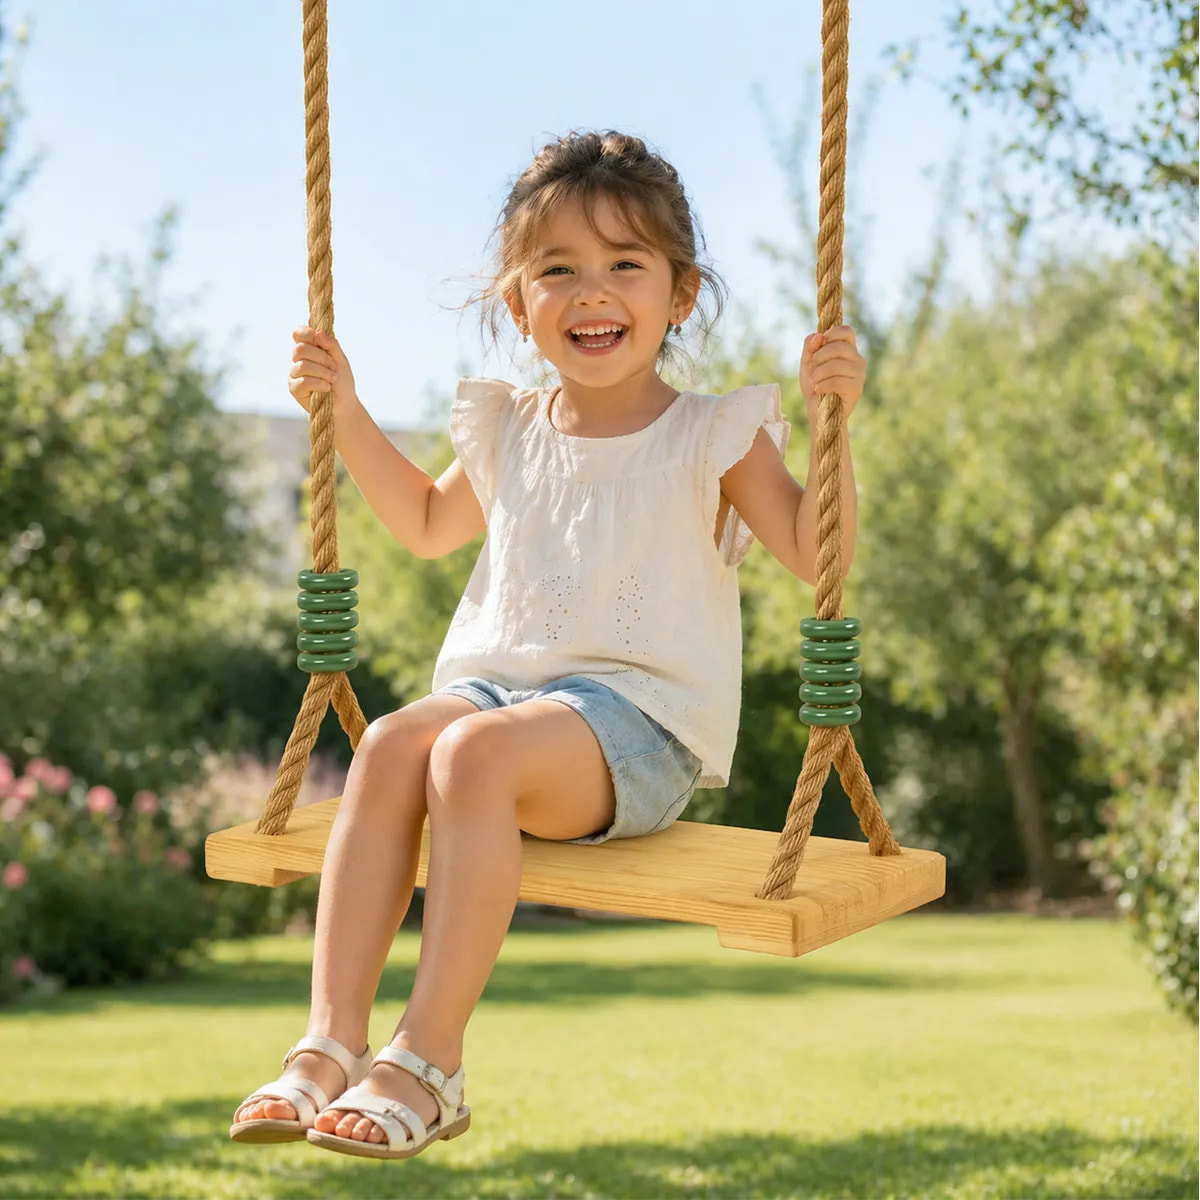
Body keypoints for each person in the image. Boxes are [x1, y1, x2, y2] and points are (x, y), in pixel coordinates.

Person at [229, 129, 865, 1161]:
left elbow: (812, 550)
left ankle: (429, 1060)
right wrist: (341, 409)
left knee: (470, 754)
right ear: (518, 303)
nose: (590, 292)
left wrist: (836, 424)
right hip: (499, 703)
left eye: (625, 264)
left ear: (681, 293)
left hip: (639, 729)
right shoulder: (511, 429)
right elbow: (425, 524)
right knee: (390, 742)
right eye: (557, 270)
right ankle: (330, 1044)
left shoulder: (714, 432)